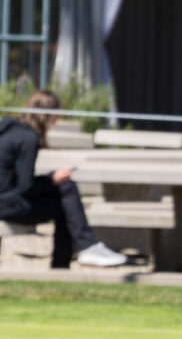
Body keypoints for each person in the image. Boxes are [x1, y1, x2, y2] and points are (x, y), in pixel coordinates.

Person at [0, 90, 127, 268]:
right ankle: (80, 252)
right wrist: (53, 179)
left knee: (66, 197)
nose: (55, 123)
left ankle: (78, 254)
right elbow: (25, 186)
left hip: (6, 200)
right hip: (7, 205)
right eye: (55, 118)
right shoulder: (28, 139)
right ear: (47, 116)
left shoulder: (9, 130)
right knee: (65, 198)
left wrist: (51, 178)